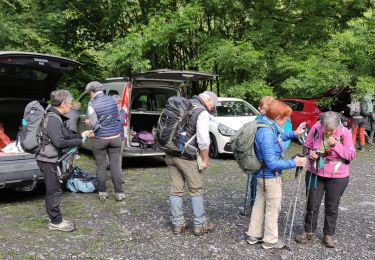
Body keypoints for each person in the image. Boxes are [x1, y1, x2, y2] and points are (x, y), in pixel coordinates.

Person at [246, 100, 307, 249]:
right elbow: (272, 163)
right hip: (269, 177)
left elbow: (276, 140)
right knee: (273, 208)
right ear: (278, 117)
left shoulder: (266, 124)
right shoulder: (266, 132)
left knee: (259, 205)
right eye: (285, 118)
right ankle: (270, 240)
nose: (286, 121)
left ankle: (253, 236)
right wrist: (295, 162)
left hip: (260, 175)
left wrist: (294, 133)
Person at [295, 111, 355, 248]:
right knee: (311, 204)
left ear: (337, 127)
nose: (328, 133)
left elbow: (351, 155)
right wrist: (309, 153)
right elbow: (306, 146)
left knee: (332, 207)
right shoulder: (316, 128)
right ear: (320, 125)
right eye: (325, 130)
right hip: (315, 172)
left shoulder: (345, 132)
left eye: (331, 131)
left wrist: (336, 145)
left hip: (338, 175)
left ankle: (328, 235)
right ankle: (309, 231)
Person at [36, 90, 91, 232]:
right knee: (54, 191)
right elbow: (59, 142)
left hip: (50, 159)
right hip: (48, 160)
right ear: (63, 104)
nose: (71, 106)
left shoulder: (57, 117)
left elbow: (65, 136)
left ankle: (55, 218)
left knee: (54, 189)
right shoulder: (53, 119)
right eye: (69, 104)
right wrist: (79, 143)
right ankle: (55, 221)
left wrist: (80, 135)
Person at [166, 91, 218, 236]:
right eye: (212, 104)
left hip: (170, 152)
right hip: (186, 156)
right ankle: (200, 225)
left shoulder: (182, 105)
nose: (212, 107)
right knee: (196, 188)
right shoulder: (201, 112)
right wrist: (205, 158)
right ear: (207, 100)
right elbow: (203, 140)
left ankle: (178, 224)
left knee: (176, 188)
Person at [85, 81, 124, 201]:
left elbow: (94, 123)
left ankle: (102, 192)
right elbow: (118, 118)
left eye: (89, 93)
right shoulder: (112, 100)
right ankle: (119, 192)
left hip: (100, 139)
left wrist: (90, 130)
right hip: (115, 138)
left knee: (101, 165)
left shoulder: (92, 104)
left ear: (92, 92)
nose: (89, 95)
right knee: (115, 165)